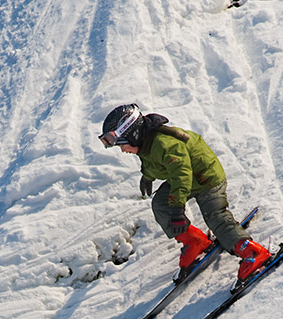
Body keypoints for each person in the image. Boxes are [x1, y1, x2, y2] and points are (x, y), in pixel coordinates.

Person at [99, 103, 271, 283]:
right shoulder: (145, 144)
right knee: (160, 204)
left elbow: (182, 175)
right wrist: (147, 177)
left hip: (205, 179)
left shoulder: (165, 144)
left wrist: (178, 209)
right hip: (186, 178)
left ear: (133, 135)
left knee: (215, 217)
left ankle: (253, 252)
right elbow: (154, 164)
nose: (123, 150)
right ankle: (195, 241)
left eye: (122, 145)